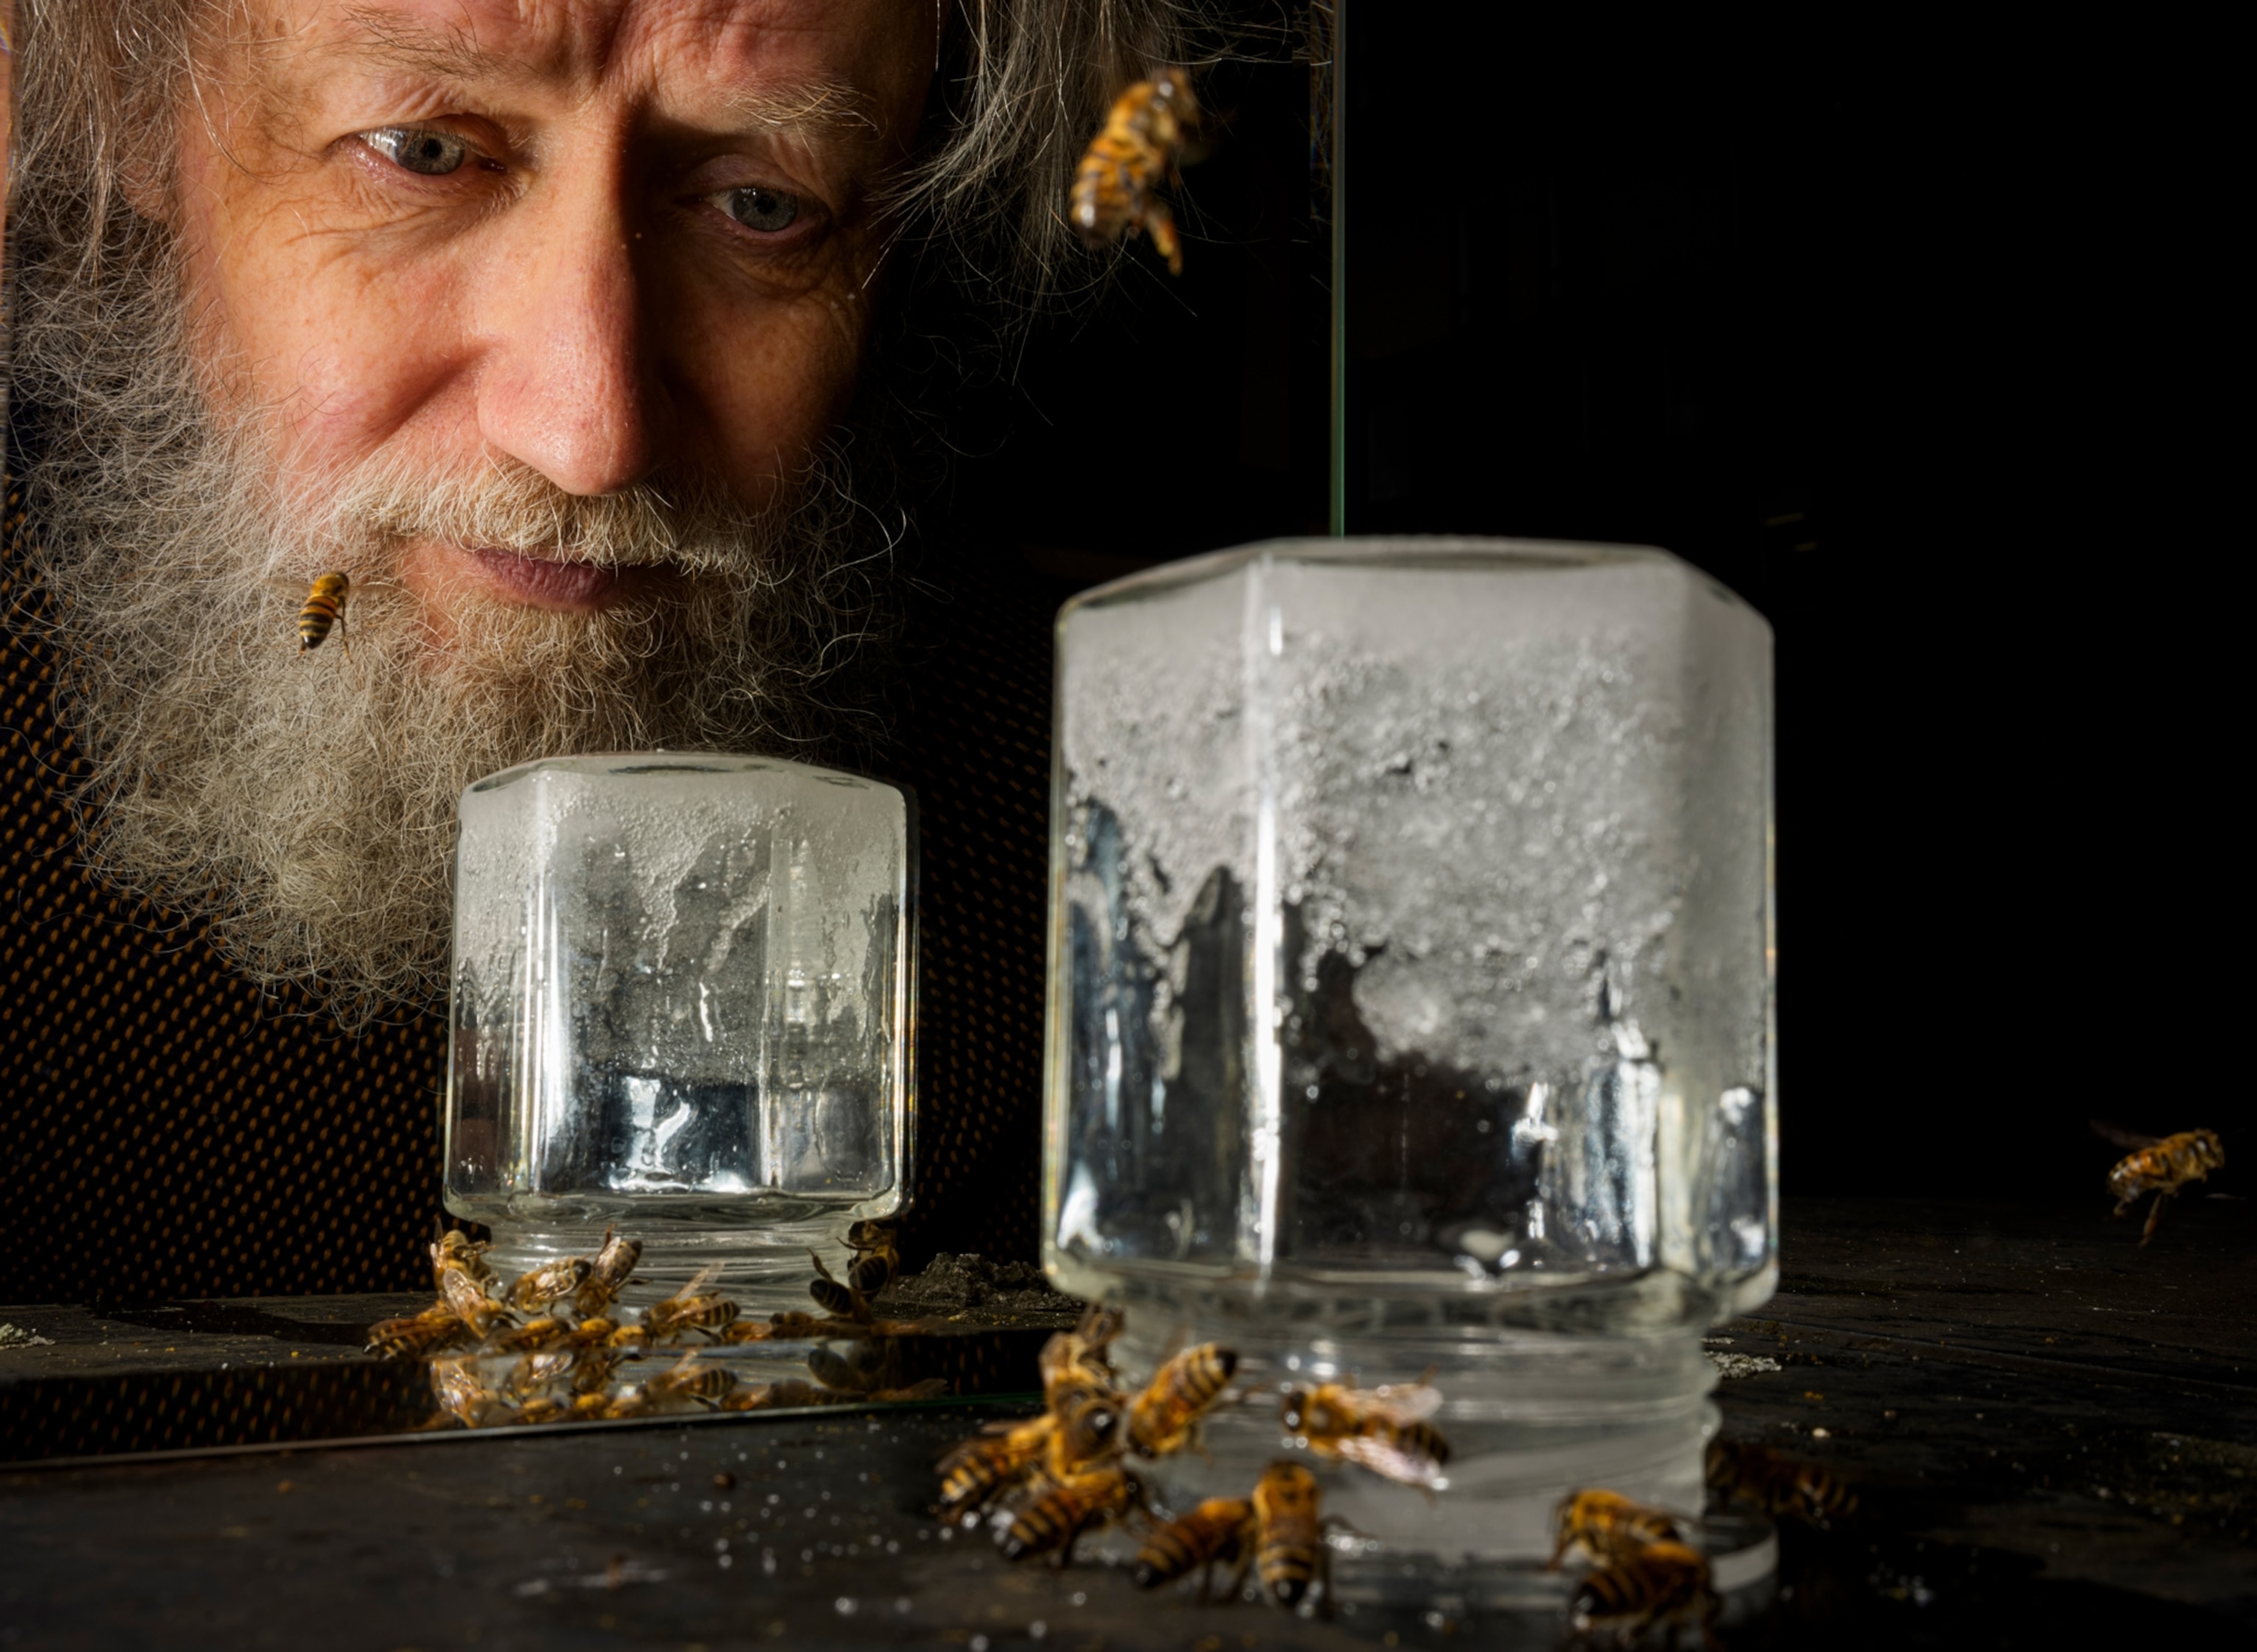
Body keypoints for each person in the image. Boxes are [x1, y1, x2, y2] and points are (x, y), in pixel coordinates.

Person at [0, 0, 1194, 1299]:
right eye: (423, 151)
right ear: (125, 99)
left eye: (760, 204)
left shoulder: (1104, 885)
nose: (593, 432)